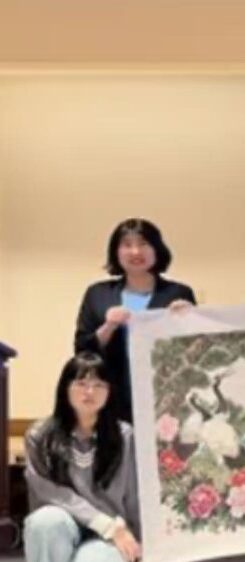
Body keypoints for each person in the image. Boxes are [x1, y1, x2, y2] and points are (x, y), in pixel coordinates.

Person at [74, 218, 196, 423]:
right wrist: (109, 326)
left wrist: (187, 321)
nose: (135, 252)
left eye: (143, 244)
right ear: (116, 252)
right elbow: (82, 350)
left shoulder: (178, 293)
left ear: (157, 249)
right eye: (127, 245)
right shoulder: (98, 293)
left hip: (163, 396)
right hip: (110, 395)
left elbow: (192, 350)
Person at [23, 352, 141, 562]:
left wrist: (139, 540)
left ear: (109, 392)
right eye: (81, 383)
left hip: (111, 532)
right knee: (44, 523)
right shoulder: (39, 436)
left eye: (99, 385)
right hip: (64, 524)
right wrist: (102, 523)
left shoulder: (124, 436)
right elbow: (46, 491)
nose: (90, 392)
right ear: (65, 388)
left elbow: (133, 496)